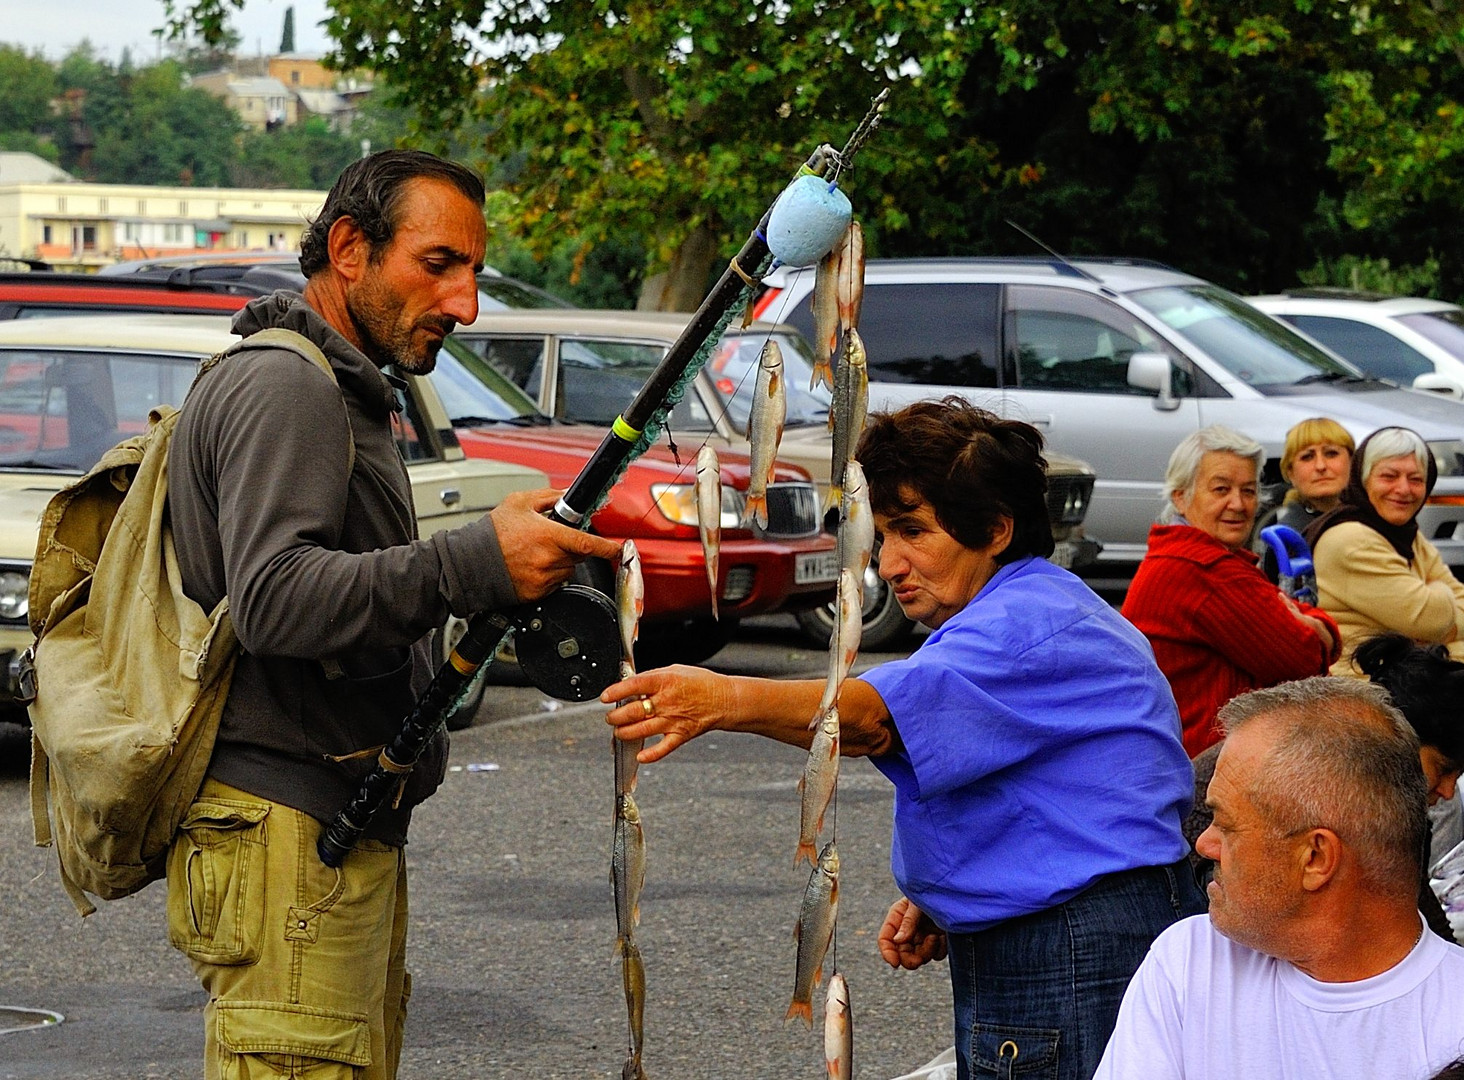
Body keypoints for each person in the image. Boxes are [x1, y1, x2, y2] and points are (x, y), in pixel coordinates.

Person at [165, 150, 623, 1079]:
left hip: (328, 836)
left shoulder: (341, 386)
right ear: (349, 248)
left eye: (473, 275)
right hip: (290, 841)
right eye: (438, 265)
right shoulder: (286, 384)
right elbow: (275, 600)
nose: (465, 305)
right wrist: (477, 560)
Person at [602, 398, 1203, 1080]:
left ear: (996, 530)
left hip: (1069, 945)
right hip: (1060, 929)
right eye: (882, 536)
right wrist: (960, 889)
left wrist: (722, 696)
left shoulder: (1024, 625)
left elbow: (871, 719)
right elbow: (1060, 788)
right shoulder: (1037, 606)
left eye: (912, 532)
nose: (888, 565)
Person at [1093, 677, 1464, 1080]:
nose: (1204, 844)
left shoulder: (1452, 1021)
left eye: (1228, 826)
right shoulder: (1189, 962)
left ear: (1316, 858)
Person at [1121, 425, 1339, 757]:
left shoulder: (1183, 555)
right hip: (1205, 768)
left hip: (1182, 756)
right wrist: (1318, 627)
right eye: (1221, 489)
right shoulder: (1202, 569)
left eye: (1248, 491)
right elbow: (1304, 661)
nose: (1237, 504)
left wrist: (1309, 623)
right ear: (1181, 496)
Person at [1307, 426, 1464, 673]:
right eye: (1389, 477)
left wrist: (1440, 620)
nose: (1403, 490)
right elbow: (1432, 621)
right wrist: (1442, 601)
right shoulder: (1352, 539)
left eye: (1416, 479)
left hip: (1405, 673)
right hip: (1363, 686)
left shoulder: (1404, 533)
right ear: (1362, 478)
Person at [1255, 417, 1353, 581]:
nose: (1321, 466)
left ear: (1352, 461)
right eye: (1307, 457)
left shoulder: (1377, 515)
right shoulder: (1284, 536)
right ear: (1290, 473)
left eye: (1331, 453)